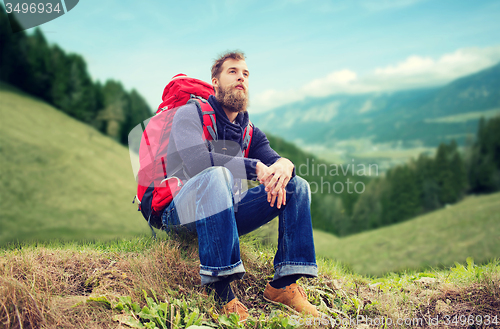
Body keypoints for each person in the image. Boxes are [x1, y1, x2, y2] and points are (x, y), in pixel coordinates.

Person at [161, 51, 318, 322]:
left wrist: (284, 164)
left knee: (297, 186)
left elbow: (274, 162)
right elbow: (197, 160)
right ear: (215, 82)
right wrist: (252, 167)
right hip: (179, 212)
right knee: (215, 175)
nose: (241, 78)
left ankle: (283, 285)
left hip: (224, 212)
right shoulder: (189, 114)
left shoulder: (250, 132)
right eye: (232, 72)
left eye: (245, 74)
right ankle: (220, 290)